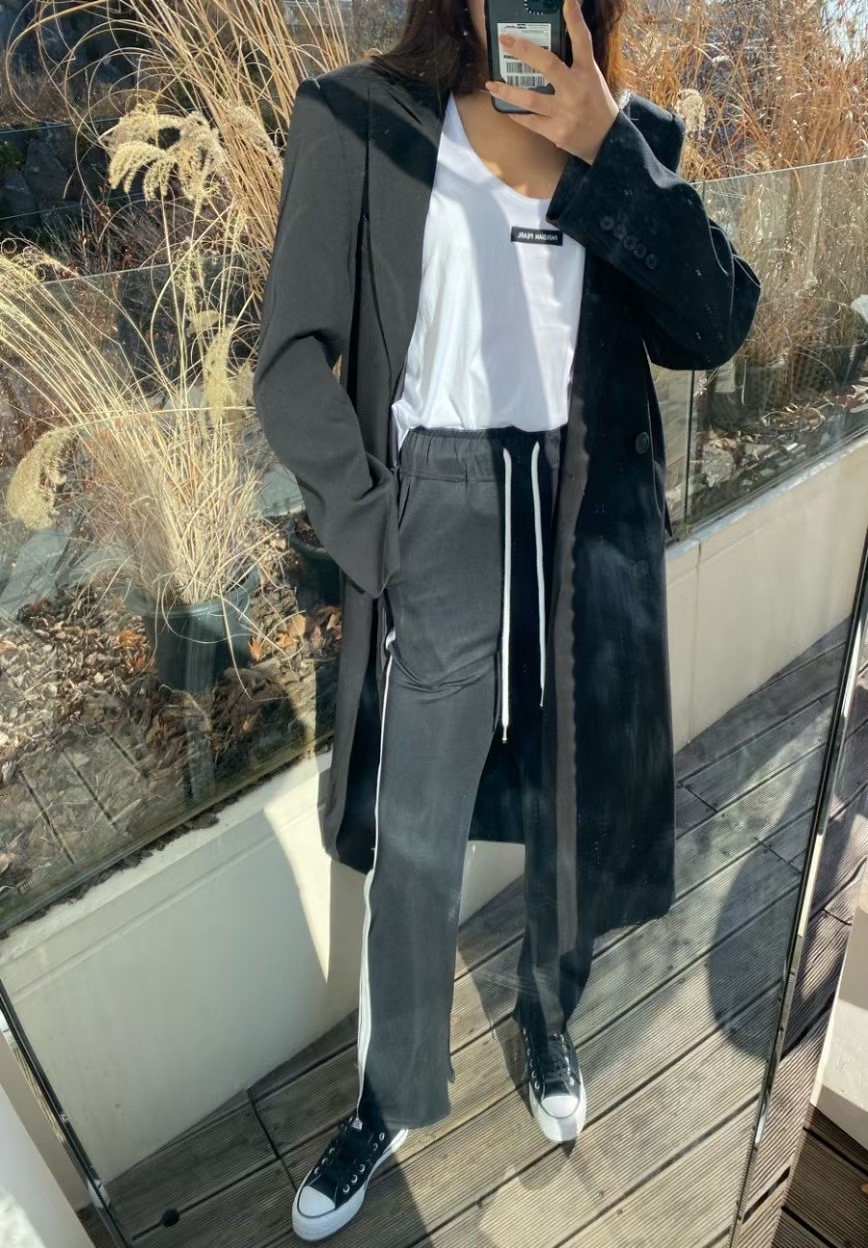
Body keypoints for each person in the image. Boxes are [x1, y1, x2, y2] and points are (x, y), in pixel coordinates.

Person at [253, 0, 762, 1239]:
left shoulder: (633, 136)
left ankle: (546, 1015)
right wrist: (373, 531)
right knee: (416, 832)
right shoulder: (358, 118)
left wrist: (607, 148)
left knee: (569, 809)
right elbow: (289, 357)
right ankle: (389, 1094)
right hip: (434, 497)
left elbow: (713, 325)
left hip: (585, 506)